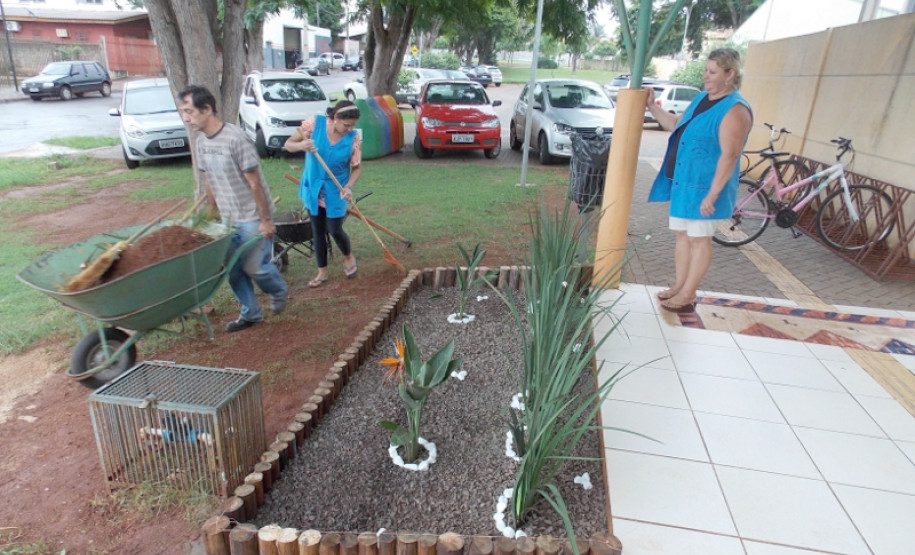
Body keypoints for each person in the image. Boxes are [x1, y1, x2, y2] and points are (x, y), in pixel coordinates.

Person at [646, 48, 753, 313]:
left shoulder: (735, 110)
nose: (705, 75)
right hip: (684, 184)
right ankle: (679, 286)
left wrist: (713, 195)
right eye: (706, 70)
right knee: (682, 236)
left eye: (712, 72)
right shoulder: (701, 98)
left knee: (700, 240)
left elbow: (730, 155)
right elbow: (676, 125)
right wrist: (651, 106)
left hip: (706, 190)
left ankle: (688, 294)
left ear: (730, 74)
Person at [178, 85, 288, 332]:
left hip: (251, 215)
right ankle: (251, 313)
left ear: (207, 109)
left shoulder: (236, 139)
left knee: (255, 267)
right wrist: (212, 210)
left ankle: (278, 289)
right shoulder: (201, 142)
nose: (186, 118)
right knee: (233, 270)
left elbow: (254, 182)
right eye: (183, 112)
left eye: (189, 111)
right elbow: (208, 178)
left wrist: (265, 220)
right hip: (227, 219)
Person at [284, 100, 361, 288]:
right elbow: (288, 144)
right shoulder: (314, 124)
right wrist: (302, 145)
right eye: (346, 125)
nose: (349, 129)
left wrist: (349, 187)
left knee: (334, 229)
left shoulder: (353, 138)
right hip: (313, 188)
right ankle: (322, 271)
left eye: (352, 125)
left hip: (336, 190)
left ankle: (348, 256)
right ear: (335, 118)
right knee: (317, 231)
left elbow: (356, 168)